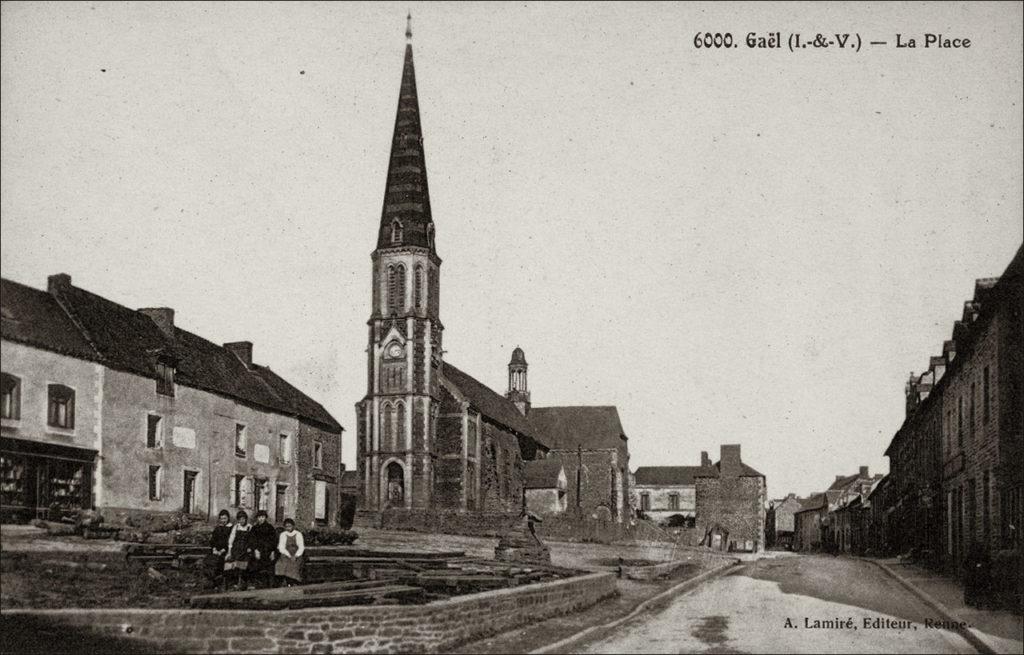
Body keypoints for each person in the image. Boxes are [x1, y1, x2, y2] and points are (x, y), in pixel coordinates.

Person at [224, 510, 253, 590]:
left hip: (245, 549)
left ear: (246, 519)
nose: (241, 521)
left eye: (243, 519)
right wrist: (229, 551)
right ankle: (233, 583)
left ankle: (243, 582)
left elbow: (252, 539)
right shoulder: (236, 527)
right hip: (236, 549)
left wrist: (250, 547)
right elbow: (231, 539)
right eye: (240, 519)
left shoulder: (250, 527)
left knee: (245, 564)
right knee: (232, 563)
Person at [249, 510, 278, 589]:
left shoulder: (270, 528)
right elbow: (252, 540)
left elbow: (274, 540)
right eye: (259, 517)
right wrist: (255, 550)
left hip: (268, 550)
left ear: (265, 518)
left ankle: (270, 584)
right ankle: (257, 583)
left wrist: (272, 551)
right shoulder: (254, 528)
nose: (261, 519)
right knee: (254, 562)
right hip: (258, 550)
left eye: (263, 517)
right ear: (257, 518)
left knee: (270, 564)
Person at [205, 510, 233, 589]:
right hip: (216, 550)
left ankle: (220, 582)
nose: (223, 520)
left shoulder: (231, 528)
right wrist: (214, 549)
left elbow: (230, 541)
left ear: (228, 518)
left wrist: (222, 550)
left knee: (221, 560)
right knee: (209, 560)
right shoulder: (217, 528)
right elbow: (213, 540)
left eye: (225, 518)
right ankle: (211, 581)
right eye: (221, 519)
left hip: (226, 550)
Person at [275, 518, 305, 586]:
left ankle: (294, 581)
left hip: (296, 553)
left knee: (294, 564)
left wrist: (296, 555)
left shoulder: (298, 534)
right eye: (286, 526)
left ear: (293, 526)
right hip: (286, 553)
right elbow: (281, 547)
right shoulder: (283, 534)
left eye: (290, 526)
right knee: (281, 564)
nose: (288, 528)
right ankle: (285, 581)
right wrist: (288, 555)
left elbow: (301, 547)